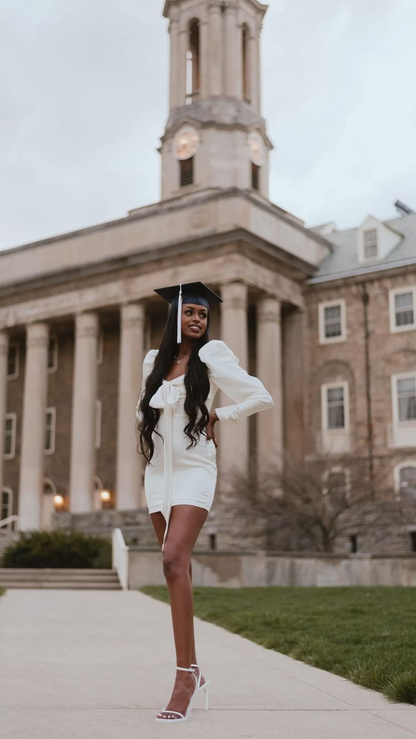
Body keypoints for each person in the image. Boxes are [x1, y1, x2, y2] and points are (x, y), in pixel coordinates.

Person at [136, 281, 274, 724]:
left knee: (173, 560)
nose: (197, 320)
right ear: (173, 316)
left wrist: (220, 414)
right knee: (179, 569)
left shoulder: (212, 356)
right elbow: (145, 413)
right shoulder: (152, 363)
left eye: (203, 314)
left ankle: (182, 678)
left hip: (196, 470)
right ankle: (194, 669)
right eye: (190, 312)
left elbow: (259, 396)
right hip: (158, 475)